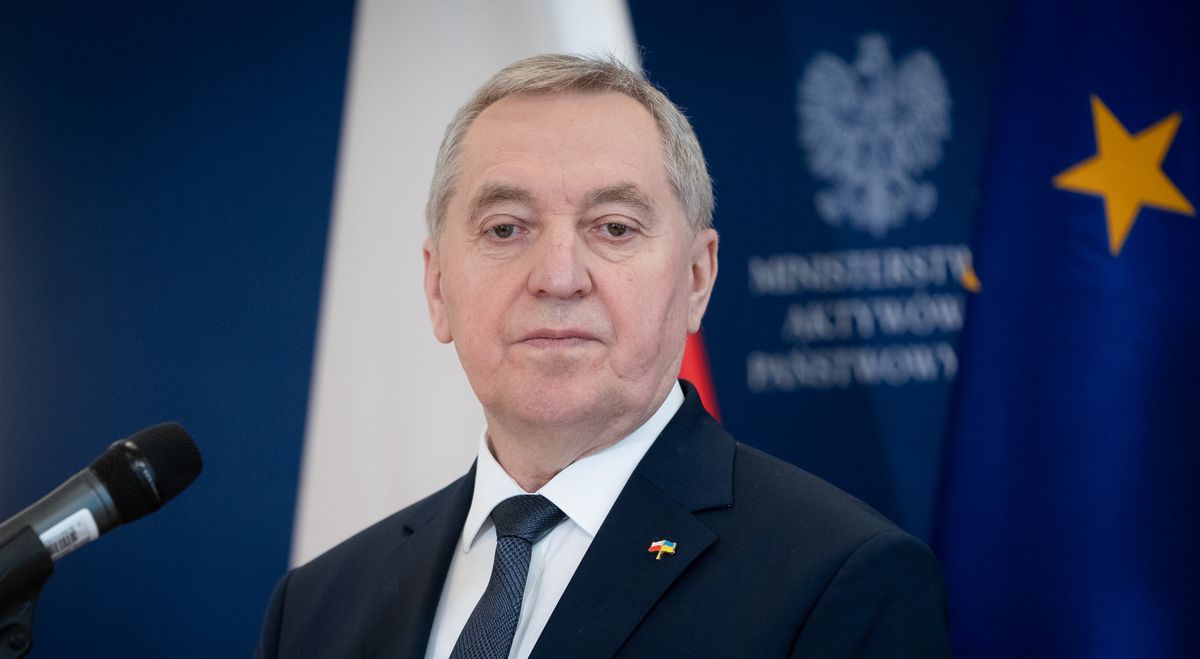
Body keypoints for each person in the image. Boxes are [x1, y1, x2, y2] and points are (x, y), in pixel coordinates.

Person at [255, 54, 950, 658]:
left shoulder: (838, 580)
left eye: (613, 227)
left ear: (697, 279)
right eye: (505, 228)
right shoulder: (316, 606)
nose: (559, 275)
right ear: (438, 286)